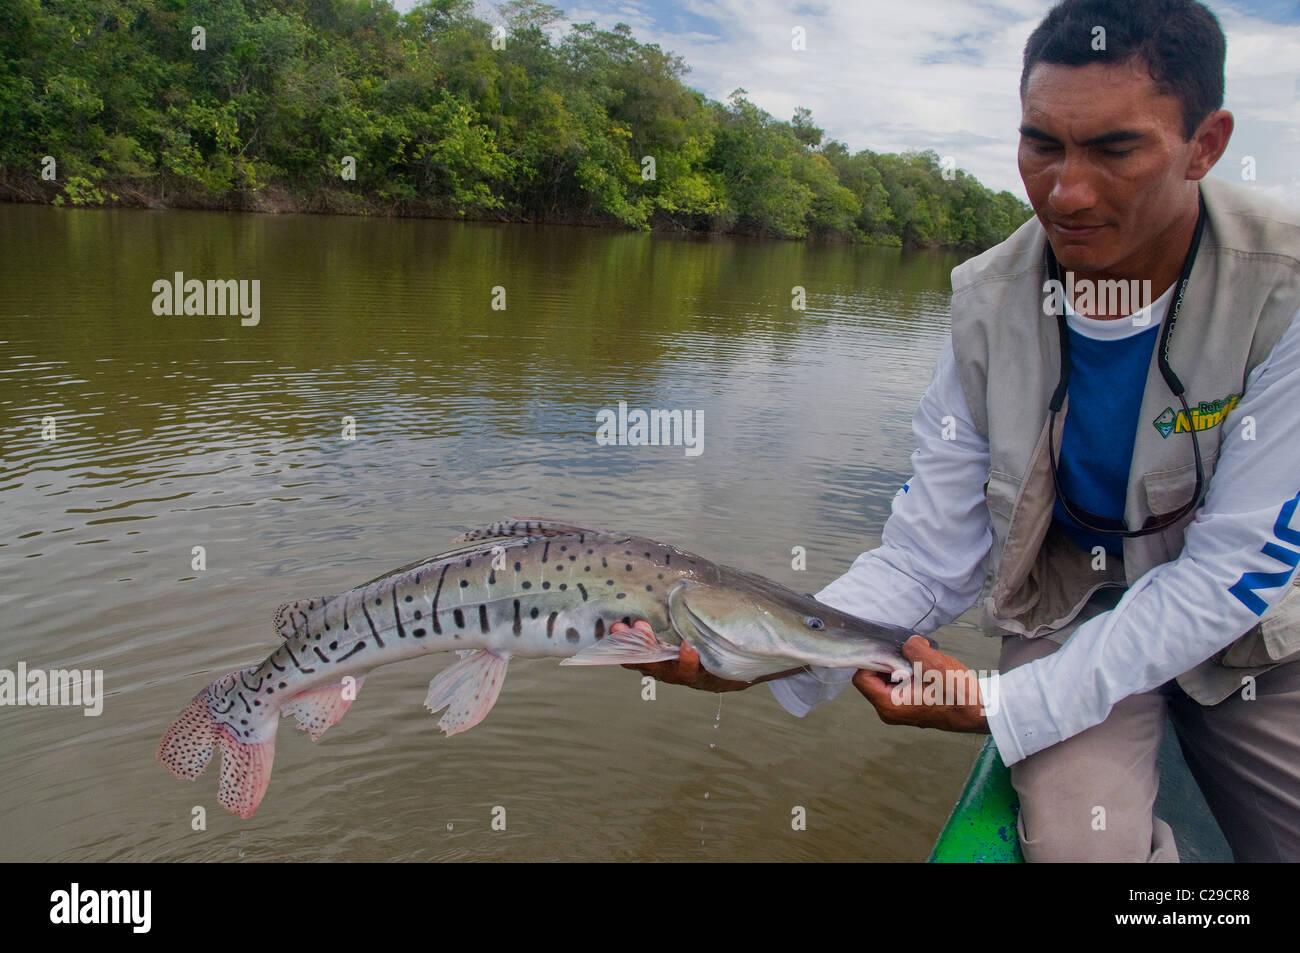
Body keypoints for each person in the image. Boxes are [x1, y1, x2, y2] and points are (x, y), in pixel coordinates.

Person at [620, 0, 1300, 862]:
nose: (1067, 191)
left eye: (1115, 148)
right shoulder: (987, 302)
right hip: (1070, 603)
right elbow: (927, 555)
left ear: (1206, 143)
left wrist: (999, 705)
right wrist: (752, 649)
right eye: (1042, 144)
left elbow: (1230, 574)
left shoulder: (1286, 292)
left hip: (1250, 626)